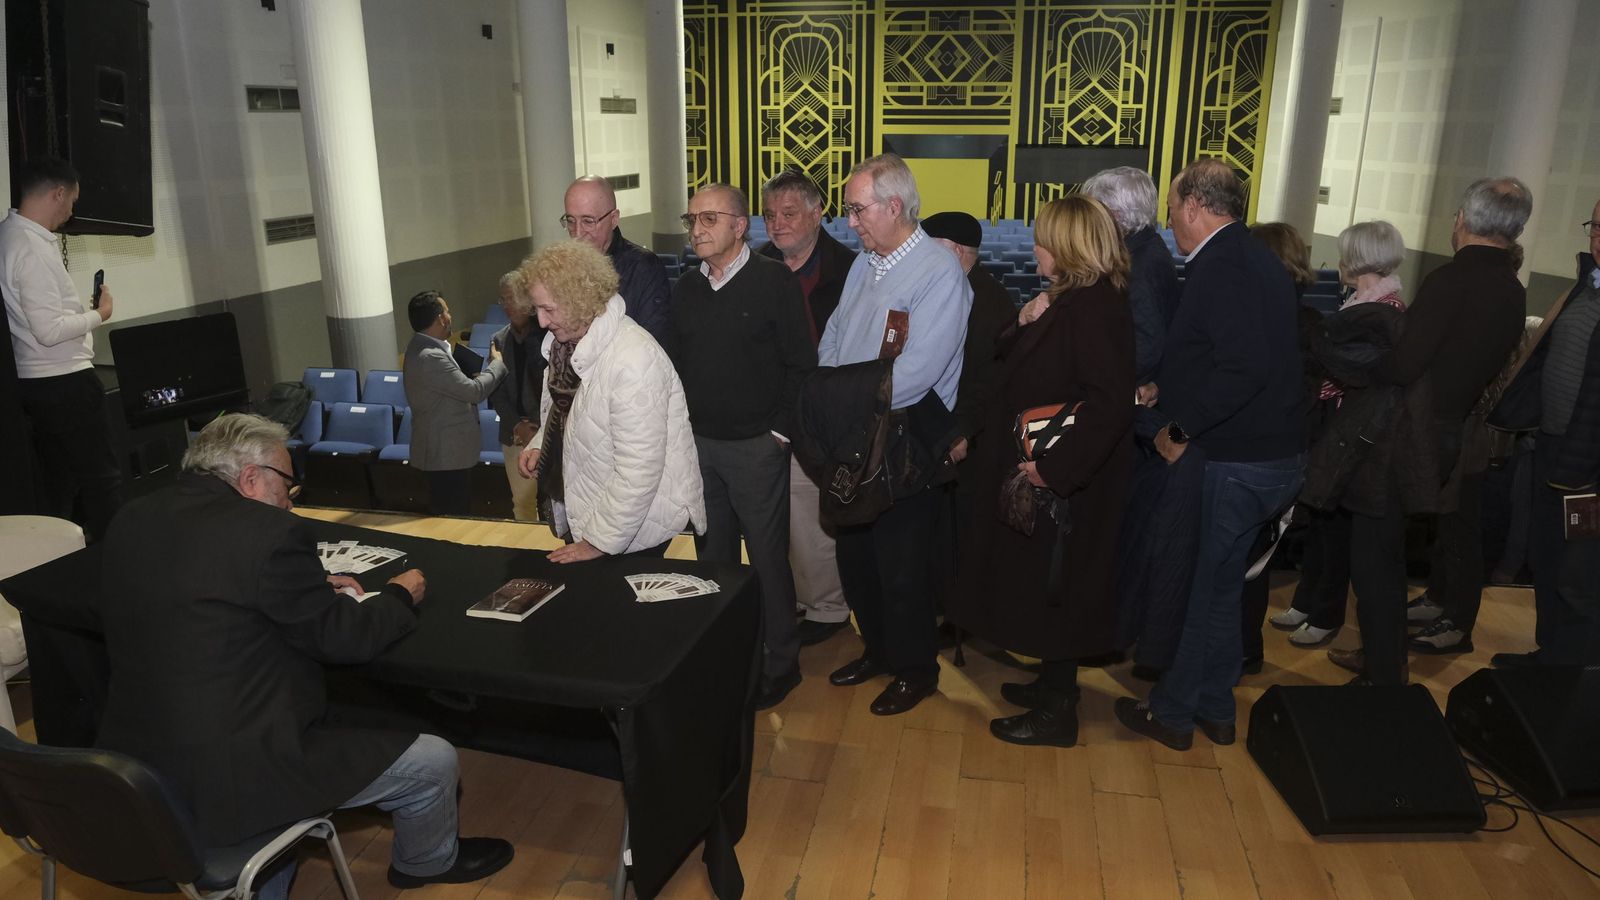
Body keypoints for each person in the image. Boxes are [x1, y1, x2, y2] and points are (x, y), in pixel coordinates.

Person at [94, 414, 513, 897]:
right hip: (238, 774)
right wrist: (397, 597)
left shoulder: (132, 516)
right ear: (251, 479)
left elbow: (208, 593)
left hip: (133, 767)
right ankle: (425, 862)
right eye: (286, 483)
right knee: (433, 760)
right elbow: (342, 640)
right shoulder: (268, 534)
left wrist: (307, 587)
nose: (289, 500)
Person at [1116, 159, 1305, 751]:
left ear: (1196, 205)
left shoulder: (1223, 267)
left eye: (1173, 207)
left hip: (1236, 459)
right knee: (1224, 589)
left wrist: (1179, 425)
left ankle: (1173, 714)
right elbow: (1228, 355)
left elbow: (1242, 368)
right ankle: (1215, 708)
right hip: (1272, 458)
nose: (1170, 218)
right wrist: (1163, 388)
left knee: (1197, 588)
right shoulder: (1249, 258)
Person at [946, 195, 1135, 747]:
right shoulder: (1070, 299)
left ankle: (1058, 713)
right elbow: (1008, 358)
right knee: (1045, 590)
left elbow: (1109, 405)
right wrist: (1024, 316)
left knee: (1060, 591)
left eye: (1043, 240)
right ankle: (1056, 684)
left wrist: (1054, 472)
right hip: (1046, 472)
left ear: (1069, 246)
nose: (1036, 250)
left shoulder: (1095, 307)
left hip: (1065, 482)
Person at [1327, 178, 1528, 682]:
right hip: (1447, 431)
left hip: (1406, 431)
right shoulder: (1512, 290)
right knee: (1390, 547)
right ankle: (1382, 659)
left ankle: (1382, 669)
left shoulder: (1448, 281)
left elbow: (1404, 365)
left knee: (1375, 555)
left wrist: (1361, 365)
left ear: (1464, 220)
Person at [817, 153, 971, 717]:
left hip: (905, 441)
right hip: (856, 432)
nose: (850, 222)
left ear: (894, 206)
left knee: (901, 567)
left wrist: (844, 400)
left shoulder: (939, 270)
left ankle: (915, 669)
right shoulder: (866, 263)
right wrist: (832, 389)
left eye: (857, 210)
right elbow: (834, 334)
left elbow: (919, 371)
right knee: (857, 556)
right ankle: (878, 651)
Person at [668, 183, 815, 709]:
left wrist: (777, 433)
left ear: (739, 225)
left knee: (768, 560)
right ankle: (724, 650)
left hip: (756, 448)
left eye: (709, 218)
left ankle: (782, 662)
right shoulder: (685, 287)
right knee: (713, 558)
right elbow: (675, 369)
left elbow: (802, 365)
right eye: (692, 220)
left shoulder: (774, 282)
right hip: (700, 447)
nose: (698, 229)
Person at [516, 240, 704, 562]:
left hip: (633, 527)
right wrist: (539, 443)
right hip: (588, 502)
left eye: (548, 309)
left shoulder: (633, 359)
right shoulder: (562, 347)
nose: (542, 321)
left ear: (580, 301)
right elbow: (562, 413)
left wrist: (599, 542)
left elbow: (639, 470)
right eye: (537, 309)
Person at [1271, 221, 1407, 650]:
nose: (1341, 260)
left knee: (1335, 528)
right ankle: (1308, 600)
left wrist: (1318, 347)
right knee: (1321, 520)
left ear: (1362, 256)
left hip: (1355, 430)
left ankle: (1325, 613)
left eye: (1347, 252)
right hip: (1338, 422)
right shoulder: (1362, 300)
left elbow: (1356, 371)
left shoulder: (1386, 308)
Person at [1486, 195, 1600, 667]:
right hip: (1553, 445)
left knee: (1580, 575)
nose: (1598, 237)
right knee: (1548, 559)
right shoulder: (1586, 285)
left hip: (1590, 462)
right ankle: (1549, 659)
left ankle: (1576, 677)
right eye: (1595, 226)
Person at [757, 170, 857, 645]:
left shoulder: (850, 270)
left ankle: (828, 609)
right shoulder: (754, 266)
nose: (778, 225)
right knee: (772, 520)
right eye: (770, 215)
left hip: (818, 416)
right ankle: (790, 599)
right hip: (763, 415)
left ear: (818, 214)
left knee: (809, 519)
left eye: (790, 214)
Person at [0, 157, 121, 540]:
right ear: (57, 193)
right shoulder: (32, 249)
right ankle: (117, 563)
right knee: (103, 480)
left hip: (35, 382)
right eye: (72, 201)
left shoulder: (8, 235)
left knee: (59, 482)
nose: (71, 211)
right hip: (64, 381)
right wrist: (100, 314)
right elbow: (49, 331)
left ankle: (57, 561)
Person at [920, 210, 1016, 629]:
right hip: (945, 432)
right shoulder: (947, 289)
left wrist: (960, 431)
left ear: (957, 251)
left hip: (970, 440)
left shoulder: (989, 302)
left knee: (962, 534)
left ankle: (960, 616)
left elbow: (987, 382)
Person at [403, 289, 506, 516]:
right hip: (445, 455)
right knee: (452, 515)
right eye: (447, 311)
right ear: (441, 318)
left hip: (443, 452)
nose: (450, 316)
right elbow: (474, 392)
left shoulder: (420, 347)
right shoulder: (432, 356)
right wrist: (497, 364)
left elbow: (449, 390)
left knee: (451, 512)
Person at [1081, 166, 1180, 387]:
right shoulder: (1144, 248)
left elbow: (1147, 344)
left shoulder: (1140, 264)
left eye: (1095, 211)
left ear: (1114, 214)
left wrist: (1102, 380)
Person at [561, 175, 672, 344]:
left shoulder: (644, 268)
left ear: (613, 219)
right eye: (570, 221)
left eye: (588, 221)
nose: (577, 233)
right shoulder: (561, 269)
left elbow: (653, 345)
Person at [488, 268, 546, 521]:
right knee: (522, 505)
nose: (506, 306)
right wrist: (519, 426)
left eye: (513, 298)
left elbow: (553, 388)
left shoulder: (550, 336)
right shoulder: (498, 340)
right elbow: (496, 393)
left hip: (548, 430)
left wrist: (537, 428)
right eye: (503, 299)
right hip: (514, 435)